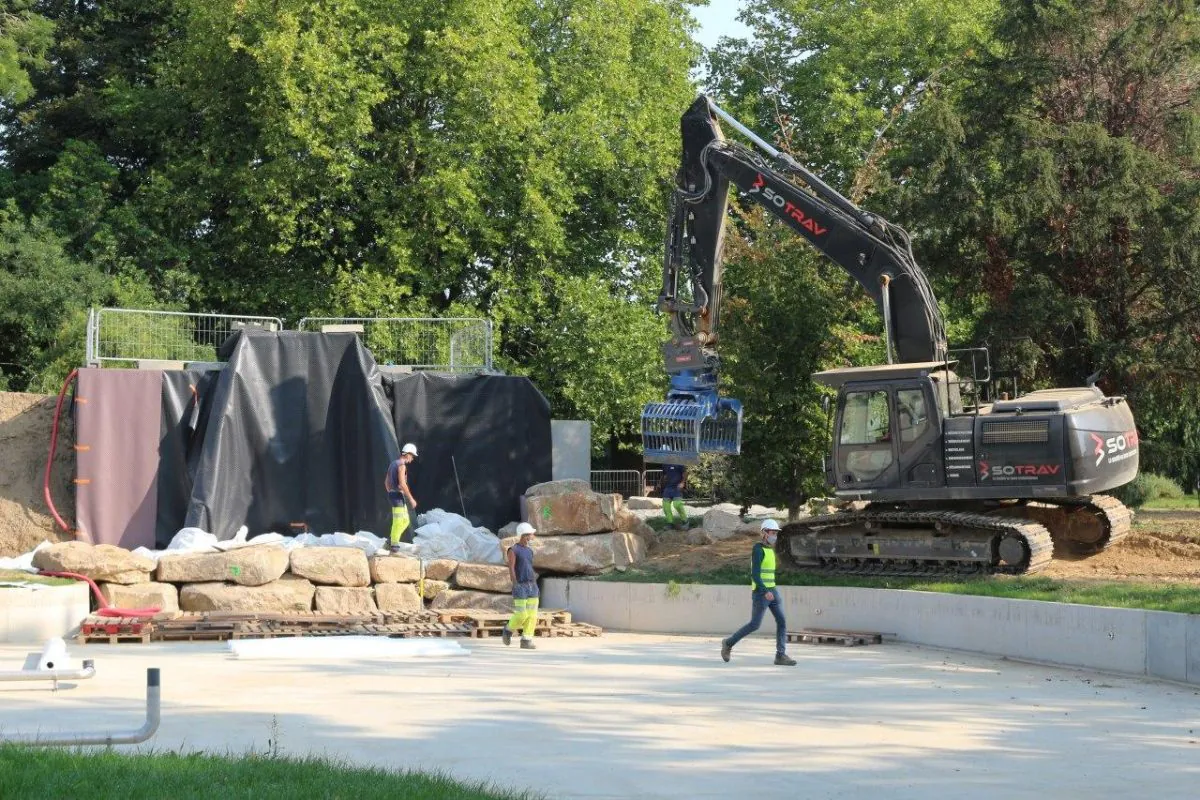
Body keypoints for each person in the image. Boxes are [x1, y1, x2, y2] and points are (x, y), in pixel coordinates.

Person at [720, 519, 797, 666]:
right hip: (761, 593)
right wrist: (764, 590)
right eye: (772, 533)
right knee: (755, 624)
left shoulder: (769, 550)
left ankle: (780, 655)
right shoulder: (758, 549)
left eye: (776, 533)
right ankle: (728, 643)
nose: (774, 535)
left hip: (772, 591)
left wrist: (770, 590)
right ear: (764, 533)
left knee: (782, 621)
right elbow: (755, 575)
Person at [503, 523, 540, 650]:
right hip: (521, 586)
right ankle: (508, 629)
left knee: (532, 615)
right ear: (525, 536)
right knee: (522, 615)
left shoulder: (529, 551)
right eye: (531, 534)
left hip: (532, 586)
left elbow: (528, 567)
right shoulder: (513, 550)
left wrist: (534, 583)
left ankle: (526, 640)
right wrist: (515, 584)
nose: (533, 536)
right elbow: (511, 568)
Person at [382, 443, 419, 554]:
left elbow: (386, 482)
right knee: (399, 521)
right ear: (407, 454)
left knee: (405, 521)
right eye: (412, 456)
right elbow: (403, 484)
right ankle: (394, 547)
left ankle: (389, 542)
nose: (412, 459)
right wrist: (411, 499)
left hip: (394, 495)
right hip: (397, 497)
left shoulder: (393, 464)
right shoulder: (401, 466)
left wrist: (391, 491)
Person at [658, 464, 687, 530]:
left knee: (677, 505)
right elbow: (664, 475)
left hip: (677, 488)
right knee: (665, 506)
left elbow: (685, 473)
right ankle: (670, 523)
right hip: (668, 488)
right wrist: (660, 483)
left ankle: (685, 521)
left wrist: (683, 482)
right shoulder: (665, 464)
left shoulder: (679, 463)